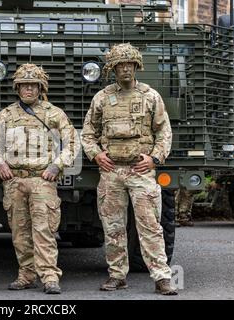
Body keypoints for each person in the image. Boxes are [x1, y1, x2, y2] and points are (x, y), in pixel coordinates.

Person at [81, 43, 178, 295]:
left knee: (150, 225)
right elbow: (88, 134)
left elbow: (164, 131)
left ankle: (162, 277)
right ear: (113, 69)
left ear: (136, 67)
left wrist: (154, 158)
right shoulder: (102, 98)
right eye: (119, 66)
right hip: (111, 172)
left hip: (140, 171)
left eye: (129, 65)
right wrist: (96, 154)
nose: (125, 69)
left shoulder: (150, 96)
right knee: (113, 227)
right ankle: (117, 275)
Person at [0, 63, 79, 294]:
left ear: (41, 88)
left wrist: (57, 165)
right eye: (24, 86)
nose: (28, 90)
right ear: (17, 89)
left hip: (42, 180)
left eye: (33, 86)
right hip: (15, 182)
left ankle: (49, 277)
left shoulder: (54, 114)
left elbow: (72, 143)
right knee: (20, 233)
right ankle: (26, 275)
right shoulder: (6, 115)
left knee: (44, 231)